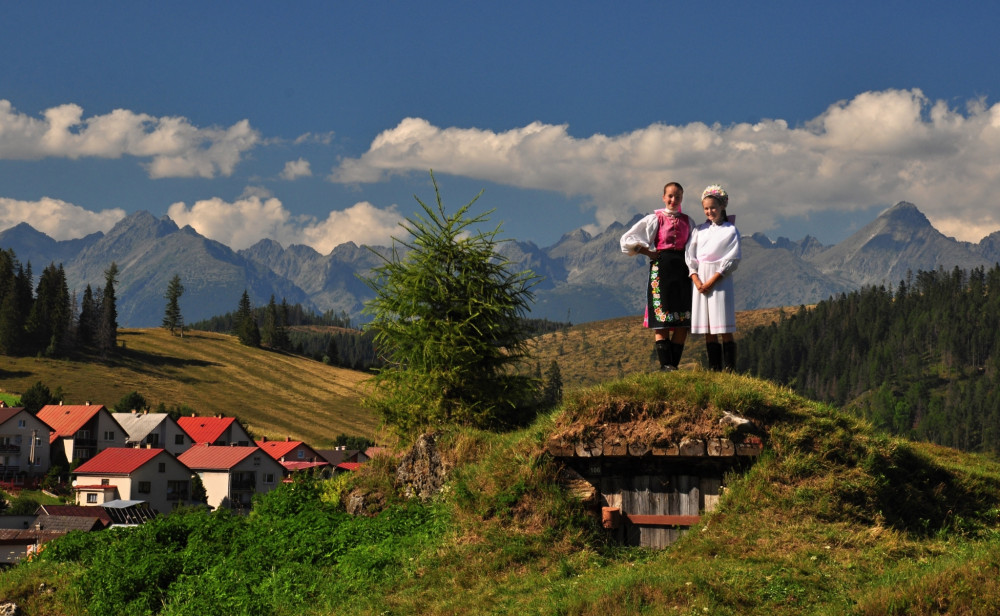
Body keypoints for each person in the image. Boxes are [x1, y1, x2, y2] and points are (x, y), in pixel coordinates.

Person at [620, 181, 693, 371]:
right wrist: (648, 252)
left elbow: (695, 247)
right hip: (662, 270)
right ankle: (665, 365)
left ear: (682, 199)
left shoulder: (688, 221)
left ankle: (673, 367)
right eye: (670, 196)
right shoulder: (655, 219)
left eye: (677, 196)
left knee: (683, 320)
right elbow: (627, 240)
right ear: (663, 197)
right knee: (662, 318)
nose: (673, 199)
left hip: (683, 271)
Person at [686, 184, 741, 371]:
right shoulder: (699, 230)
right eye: (706, 208)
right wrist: (696, 280)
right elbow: (690, 256)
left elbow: (732, 258)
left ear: (722, 206)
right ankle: (714, 368)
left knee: (723, 325)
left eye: (713, 208)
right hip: (700, 280)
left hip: (720, 280)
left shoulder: (730, 230)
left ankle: (730, 369)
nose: (710, 212)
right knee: (708, 327)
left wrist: (712, 280)